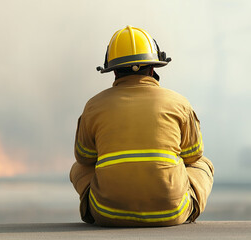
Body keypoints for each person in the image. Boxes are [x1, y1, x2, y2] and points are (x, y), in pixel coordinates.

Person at [70, 26, 214, 227]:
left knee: (78, 168)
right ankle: (182, 206)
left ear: (114, 71)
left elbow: (84, 157)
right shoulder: (179, 103)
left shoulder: (93, 106)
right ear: (153, 68)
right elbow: (193, 155)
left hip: (106, 213)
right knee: (203, 163)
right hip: (172, 213)